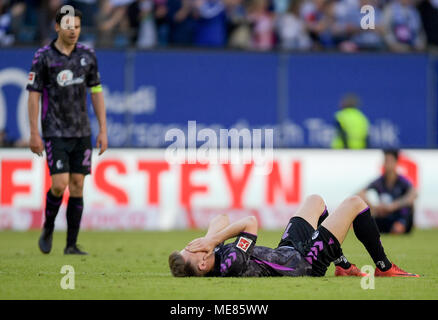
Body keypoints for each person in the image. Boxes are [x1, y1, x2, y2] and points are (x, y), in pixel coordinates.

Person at [169, 194, 419, 278]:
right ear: (202, 263)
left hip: (287, 252)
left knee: (316, 201)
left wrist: (208, 239)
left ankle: (342, 265)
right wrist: (212, 241)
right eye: (191, 249)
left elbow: (221, 219)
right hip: (305, 263)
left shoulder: (211, 255)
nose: (192, 245)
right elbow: (250, 222)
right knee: (355, 203)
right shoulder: (230, 261)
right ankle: (384, 267)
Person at [26, 7, 108, 255]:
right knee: (60, 184)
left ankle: (71, 244)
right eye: (69, 26)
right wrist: (34, 133)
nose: (73, 31)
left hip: (81, 131)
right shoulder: (44, 57)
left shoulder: (87, 56)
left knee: (78, 184)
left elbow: (96, 92)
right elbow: (33, 96)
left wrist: (103, 129)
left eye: (78, 26)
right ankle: (49, 227)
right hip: (55, 130)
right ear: (57, 27)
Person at [358, 149, 417, 234]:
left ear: (396, 162)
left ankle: (400, 225)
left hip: (398, 215)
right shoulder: (379, 182)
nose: (387, 164)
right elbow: (360, 193)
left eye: (390, 161)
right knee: (366, 226)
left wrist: (393, 206)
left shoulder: (403, 181)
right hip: (383, 216)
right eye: (385, 160)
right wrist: (374, 207)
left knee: (409, 206)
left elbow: (413, 195)